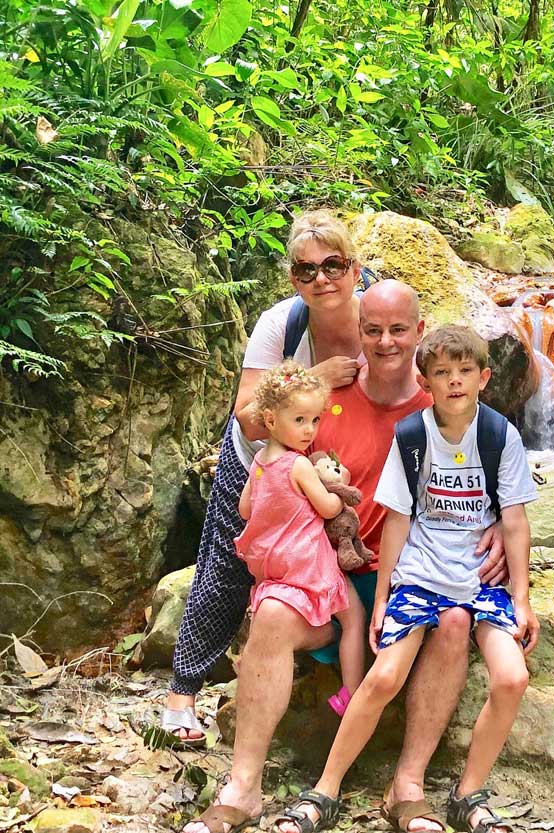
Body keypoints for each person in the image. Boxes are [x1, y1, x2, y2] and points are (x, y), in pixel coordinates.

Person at [181, 281, 508, 833]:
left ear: (419, 332)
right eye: (373, 330)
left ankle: (407, 787)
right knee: (273, 616)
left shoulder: (443, 405)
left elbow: (492, 474)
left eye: (398, 330)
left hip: (409, 576)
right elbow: (269, 450)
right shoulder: (322, 404)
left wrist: (498, 521)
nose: (385, 342)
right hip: (327, 574)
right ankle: (243, 788)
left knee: (453, 621)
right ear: (359, 334)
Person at [274, 325, 539, 833]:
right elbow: (396, 519)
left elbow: (515, 520)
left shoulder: (500, 436)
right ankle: (325, 790)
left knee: (513, 677)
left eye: (465, 372)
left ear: (484, 378)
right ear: (426, 381)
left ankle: (468, 796)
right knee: (386, 674)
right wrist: (381, 601)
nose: (455, 382)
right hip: (419, 574)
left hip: (480, 578)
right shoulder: (413, 436)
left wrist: (521, 598)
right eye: (442, 373)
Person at [164, 209, 364, 744]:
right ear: (292, 279)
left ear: (355, 269)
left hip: (330, 468)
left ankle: (308, 671)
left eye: (333, 265)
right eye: (306, 271)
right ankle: (182, 694)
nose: (320, 279)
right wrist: (313, 378)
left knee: (324, 570)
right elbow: (246, 414)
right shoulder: (281, 324)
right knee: (229, 563)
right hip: (260, 461)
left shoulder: (378, 326)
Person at [234, 360, 365, 714]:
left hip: (273, 562)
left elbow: (245, 509)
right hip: (306, 560)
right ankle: (351, 693)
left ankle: (249, 661)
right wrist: (342, 489)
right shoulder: (299, 464)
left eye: (315, 420)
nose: (310, 430)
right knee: (353, 616)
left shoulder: (260, 460)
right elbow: (326, 508)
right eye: (299, 420)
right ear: (271, 420)